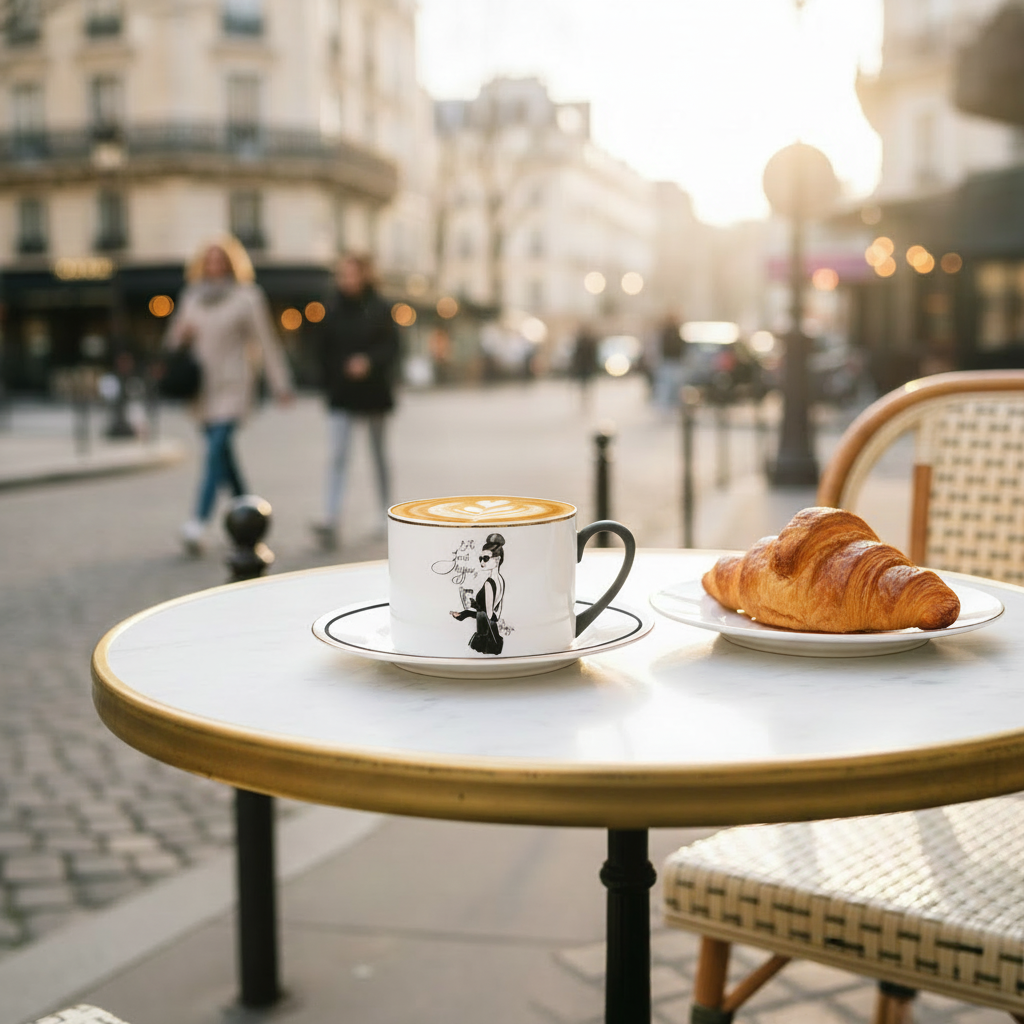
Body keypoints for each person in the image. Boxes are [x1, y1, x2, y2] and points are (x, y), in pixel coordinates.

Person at [166, 236, 293, 555]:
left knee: (215, 449)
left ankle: (197, 522)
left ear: (231, 263)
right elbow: (172, 343)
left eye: (220, 260)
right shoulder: (191, 297)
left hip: (235, 385)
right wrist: (180, 335)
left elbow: (266, 342)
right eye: (209, 261)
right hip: (202, 388)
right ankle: (250, 516)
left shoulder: (247, 296)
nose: (214, 266)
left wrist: (281, 384)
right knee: (223, 457)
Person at [311, 253, 400, 549]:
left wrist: (368, 362)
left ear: (364, 275)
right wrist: (336, 374)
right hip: (342, 393)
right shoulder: (330, 307)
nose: (347, 279)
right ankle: (330, 517)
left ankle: (385, 511)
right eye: (343, 274)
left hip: (374, 391)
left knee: (378, 455)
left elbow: (393, 348)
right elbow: (320, 350)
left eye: (352, 274)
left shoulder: (381, 307)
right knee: (337, 455)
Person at [450, 533, 506, 655]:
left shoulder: (489, 584)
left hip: (485, 633)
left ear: (497, 560)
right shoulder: (501, 580)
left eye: (486, 558)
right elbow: (496, 611)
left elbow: (488, 615)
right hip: (493, 630)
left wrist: (465, 613)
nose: (482, 562)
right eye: (480, 558)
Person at [570, 324, 599, 406]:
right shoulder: (581, 342)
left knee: (587, 381)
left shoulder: (590, 342)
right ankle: (584, 396)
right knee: (584, 382)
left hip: (587, 366)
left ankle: (586, 396)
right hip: (583, 366)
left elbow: (593, 354)